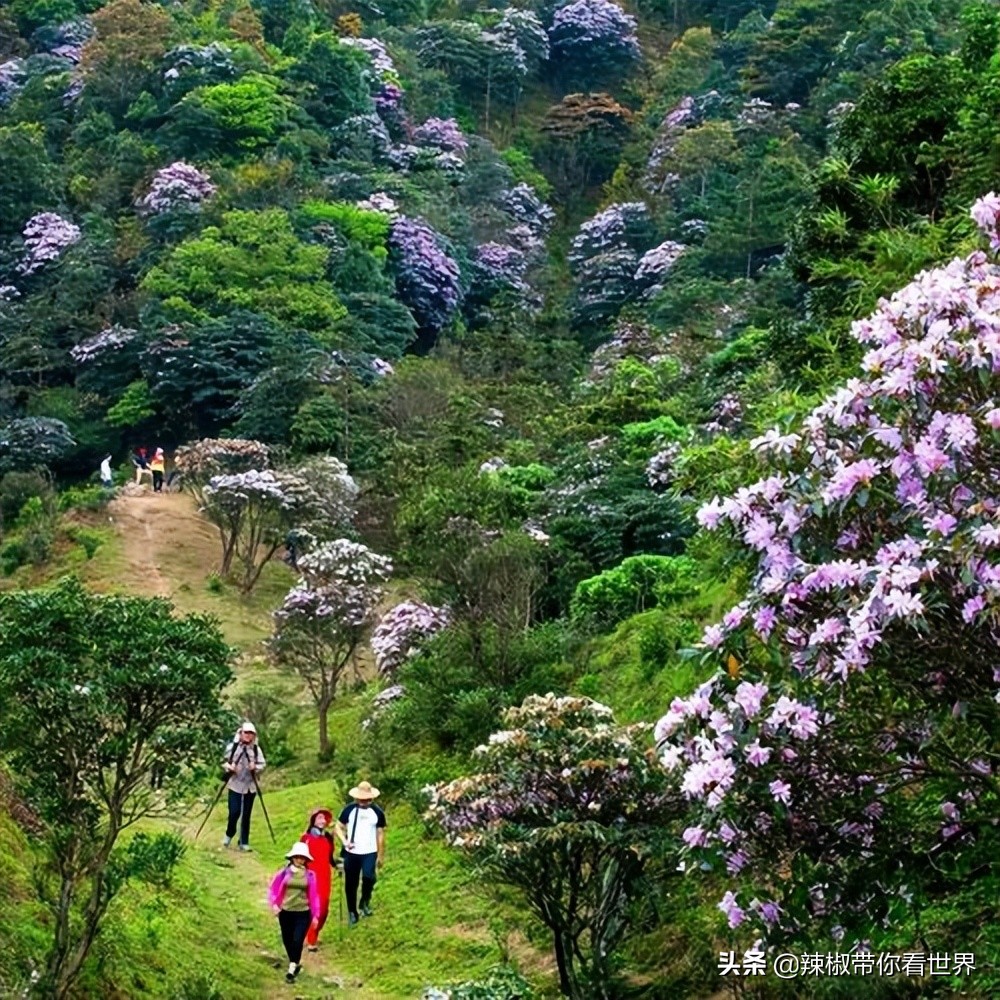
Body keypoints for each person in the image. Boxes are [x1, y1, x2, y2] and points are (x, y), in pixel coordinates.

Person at [268, 842, 322, 984]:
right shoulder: (284, 873)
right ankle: (295, 962)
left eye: (302, 857)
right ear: (292, 858)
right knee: (287, 939)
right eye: (297, 857)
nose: (300, 860)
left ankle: (292, 967)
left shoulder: (310, 875)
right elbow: (273, 889)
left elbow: (315, 896)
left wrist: (316, 915)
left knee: (298, 939)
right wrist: (275, 905)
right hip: (286, 911)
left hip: (303, 912)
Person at [335, 780, 386, 927]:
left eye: (367, 799)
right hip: (352, 852)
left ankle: (365, 900)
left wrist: (381, 854)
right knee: (351, 882)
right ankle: (352, 912)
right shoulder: (349, 810)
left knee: (369, 877)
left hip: (370, 851)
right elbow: (338, 826)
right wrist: (344, 841)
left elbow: (380, 833)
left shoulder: (377, 812)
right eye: (362, 799)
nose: (364, 801)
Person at [222, 721, 266, 851]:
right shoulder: (232, 747)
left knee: (246, 815)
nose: (248, 735)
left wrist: (256, 768)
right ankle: (229, 834)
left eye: (251, 733)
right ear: (241, 733)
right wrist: (229, 767)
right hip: (235, 784)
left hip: (250, 786)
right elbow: (223, 762)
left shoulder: (256, 750)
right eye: (246, 732)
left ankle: (244, 842)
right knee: (234, 812)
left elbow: (262, 764)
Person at [300, 808, 336, 951]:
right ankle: (311, 940)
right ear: (313, 820)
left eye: (324, 818)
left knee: (324, 908)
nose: (322, 821)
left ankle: (312, 932)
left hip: (325, 877)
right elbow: (299, 858)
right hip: (310, 877)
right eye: (320, 817)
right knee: (315, 907)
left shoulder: (328, 838)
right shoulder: (306, 838)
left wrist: (339, 864)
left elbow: (330, 858)